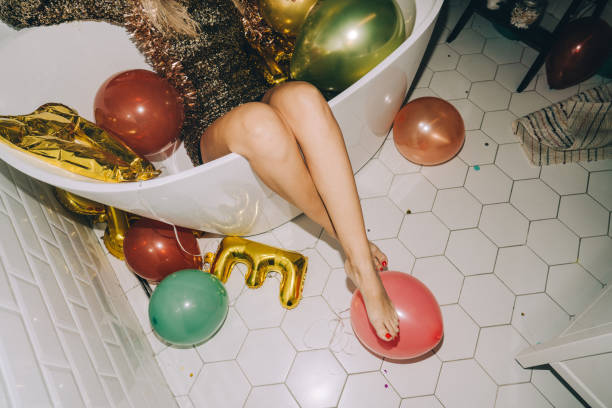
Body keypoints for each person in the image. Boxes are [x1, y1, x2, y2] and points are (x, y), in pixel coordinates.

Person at [154, 0, 400, 341]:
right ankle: (351, 247)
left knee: (305, 97)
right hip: (212, 127)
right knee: (261, 124)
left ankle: (357, 257)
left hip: (258, 92)